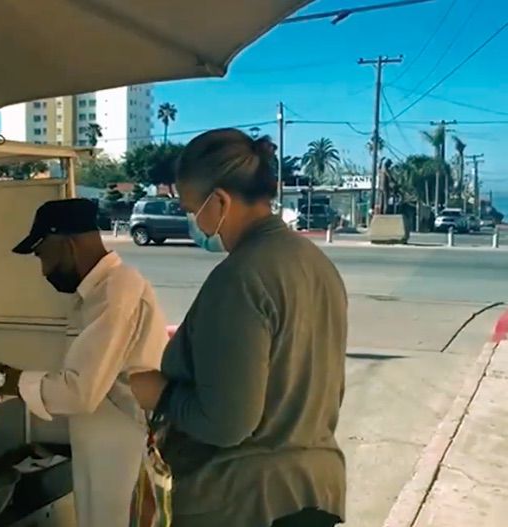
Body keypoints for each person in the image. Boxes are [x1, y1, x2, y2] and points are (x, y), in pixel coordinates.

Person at [130, 129, 347, 527]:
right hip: (314, 490)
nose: (192, 220)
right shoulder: (317, 264)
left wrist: (159, 393)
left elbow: (227, 423)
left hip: (243, 501)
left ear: (220, 201)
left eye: (190, 207)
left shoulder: (240, 278)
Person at [0, 198, 169, 527]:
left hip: (122, 453)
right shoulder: (96, 294)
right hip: (100, 447)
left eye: (42, 255)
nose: (43, 270)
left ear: (67, 243)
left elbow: (80, 392)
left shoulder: (116, 293)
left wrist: (2, 378)